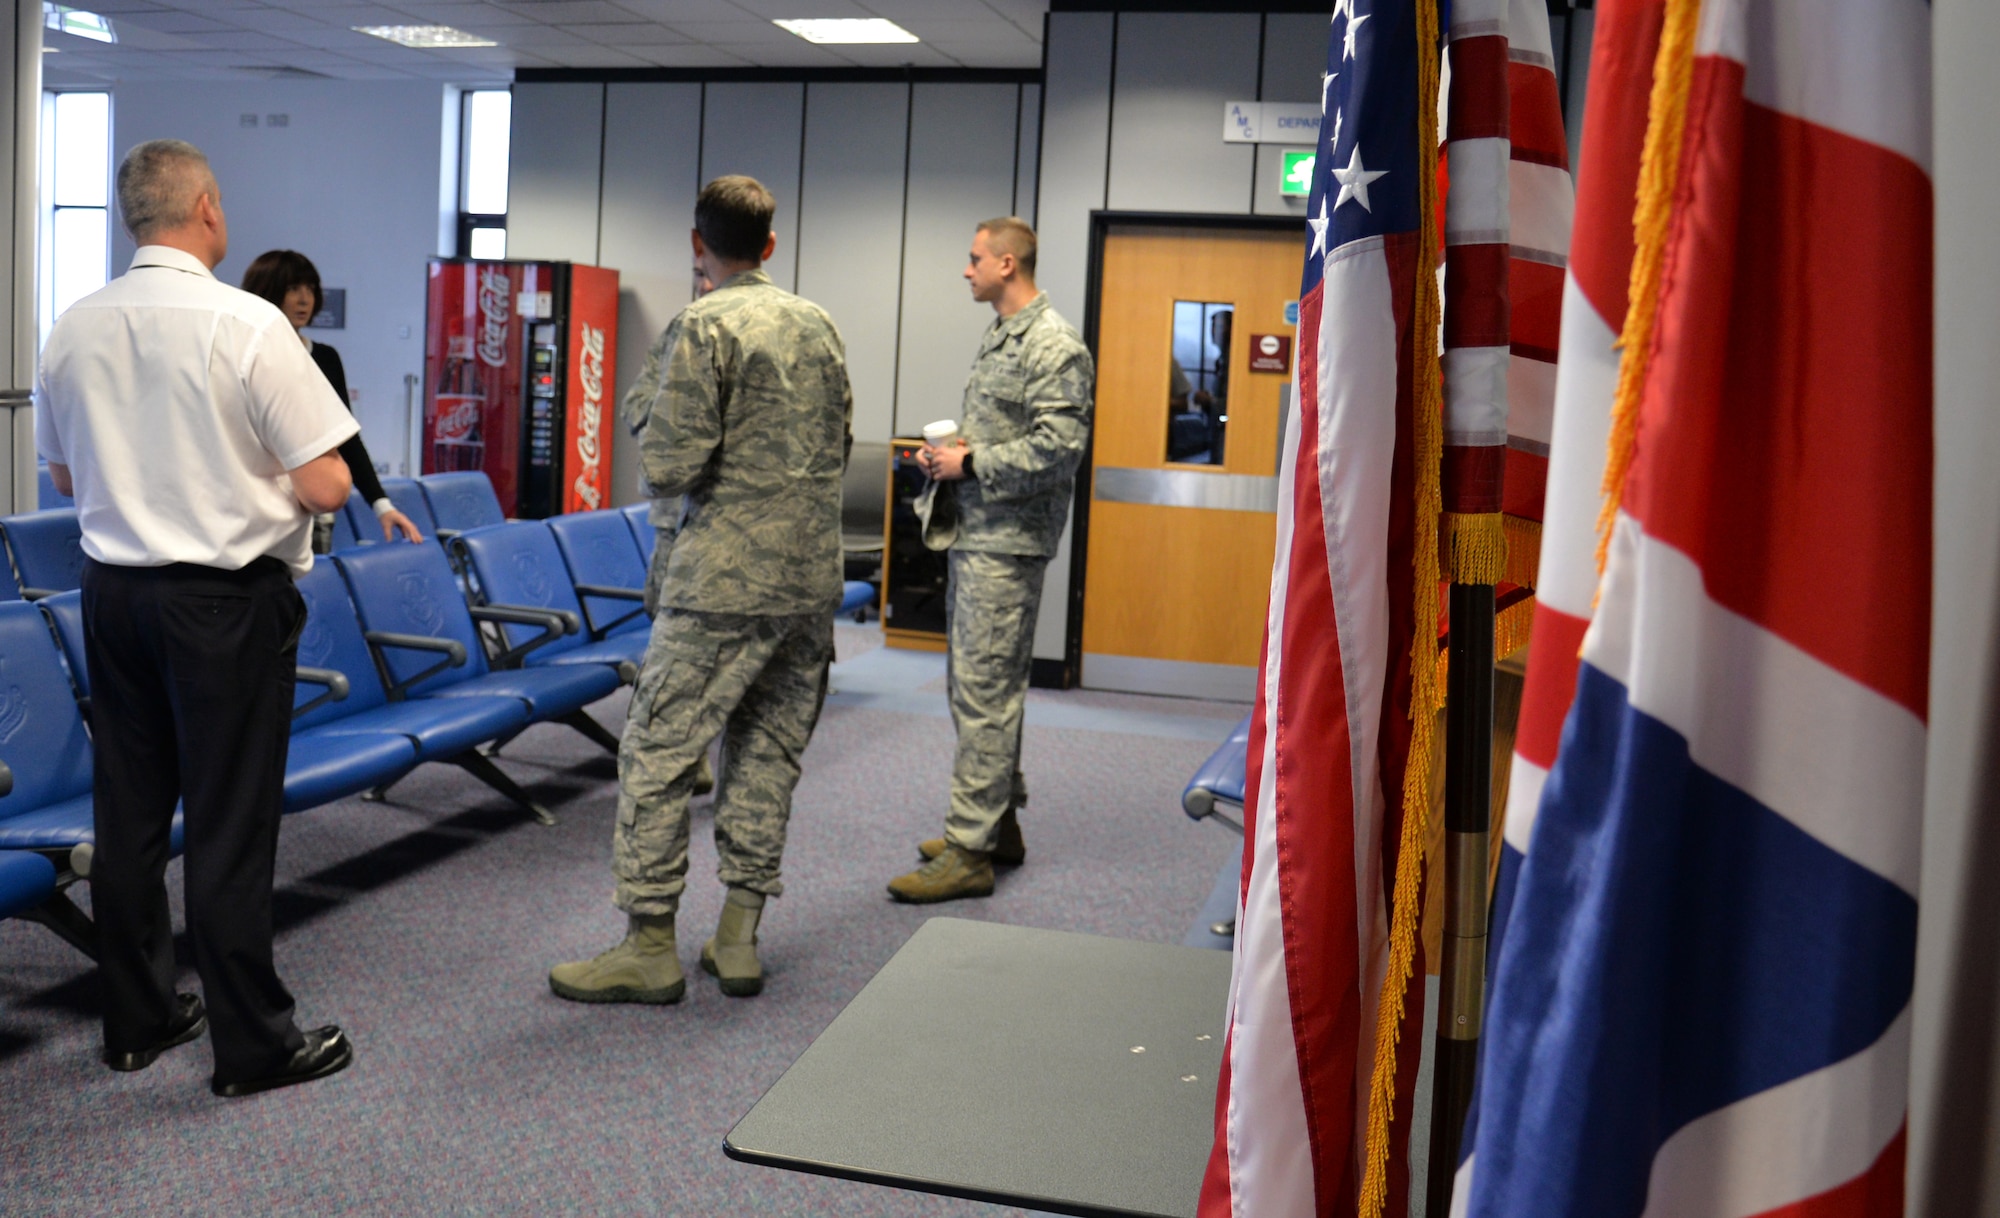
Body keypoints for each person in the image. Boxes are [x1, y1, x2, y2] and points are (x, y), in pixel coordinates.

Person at [35, 139, 358, 1095]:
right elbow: (329, 480)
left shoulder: (73, 326)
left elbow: (61, 476)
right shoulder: (248, 324)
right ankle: (253, 1046)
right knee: (228, 819)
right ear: (206, 208)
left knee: (129, 813)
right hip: (222, 603)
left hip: (112, 596)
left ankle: (135, 1022)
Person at [549, 175, 852, 1004]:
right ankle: (739, 937)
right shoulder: (817, 324)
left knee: (656, 752)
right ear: (771, 245)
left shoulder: (702, 326)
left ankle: (648, 944)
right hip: (808, 584)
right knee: (767, 751)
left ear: (696, 245)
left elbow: (672, 461)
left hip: (721, 582)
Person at [887, 217, 1094, 903]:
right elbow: (1013, 432)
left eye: (975, 259)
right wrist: (951, 459)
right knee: (978, 689)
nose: (966, 269)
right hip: (981, 536)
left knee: (982, 696)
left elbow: (1059, 448)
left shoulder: (1053, 342)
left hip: (1007, 545)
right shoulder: (1006, 333)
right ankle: (995, 824)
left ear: (1008, 264)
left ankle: (969, 852)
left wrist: (970, 462)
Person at [240, 250, 423, 547]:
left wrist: (381, 505)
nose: (304, 299)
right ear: (268, 291)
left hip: (314, 506)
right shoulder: (248, 353)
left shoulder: (326, 357)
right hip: (259, 508)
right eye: (292, 289)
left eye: (310, 289)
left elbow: (345, 437)